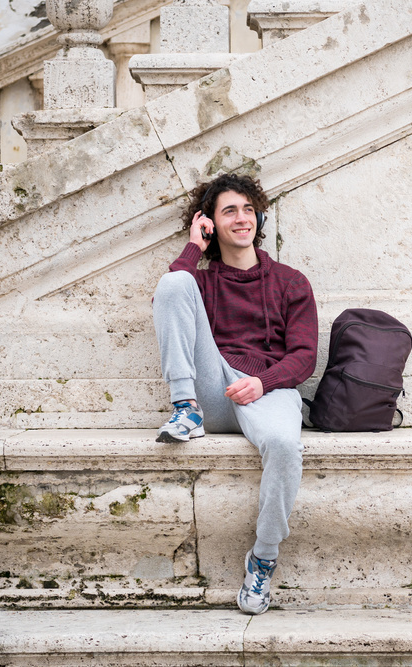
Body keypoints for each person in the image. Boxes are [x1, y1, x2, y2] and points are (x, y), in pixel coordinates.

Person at [152, 172, 318, 615]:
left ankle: (262, 558)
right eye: (229, 211)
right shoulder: (202, 281)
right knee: (172, 283)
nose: (242, 218)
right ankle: (184, 408)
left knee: (284, 444)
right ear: (210, 223)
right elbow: (174, 289)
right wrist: (194, 247)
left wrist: (263, 381)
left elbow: (304, 358)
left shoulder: (290, 281)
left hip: (267, 389)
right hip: (214, 389)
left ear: (259, 216)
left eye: (248, 209)